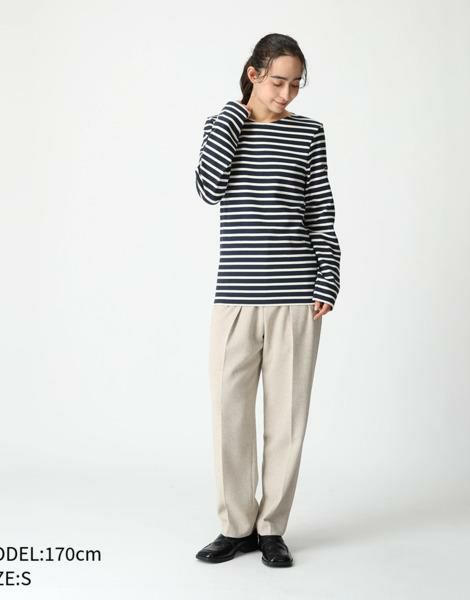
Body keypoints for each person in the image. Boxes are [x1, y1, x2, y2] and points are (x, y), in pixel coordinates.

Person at [194, 33, 341, 568]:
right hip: (236, 296)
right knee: (229, 415)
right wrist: (236, 115)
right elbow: (209, 188)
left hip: (296, 296)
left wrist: (328, 277)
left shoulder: (308, 134)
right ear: (253, 74)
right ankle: (235, 527)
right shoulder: (222, 126)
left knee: (287, 418)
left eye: (296, 84)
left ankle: (272, 528)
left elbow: (320, 212)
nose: (287, 94)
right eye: (278, 81)